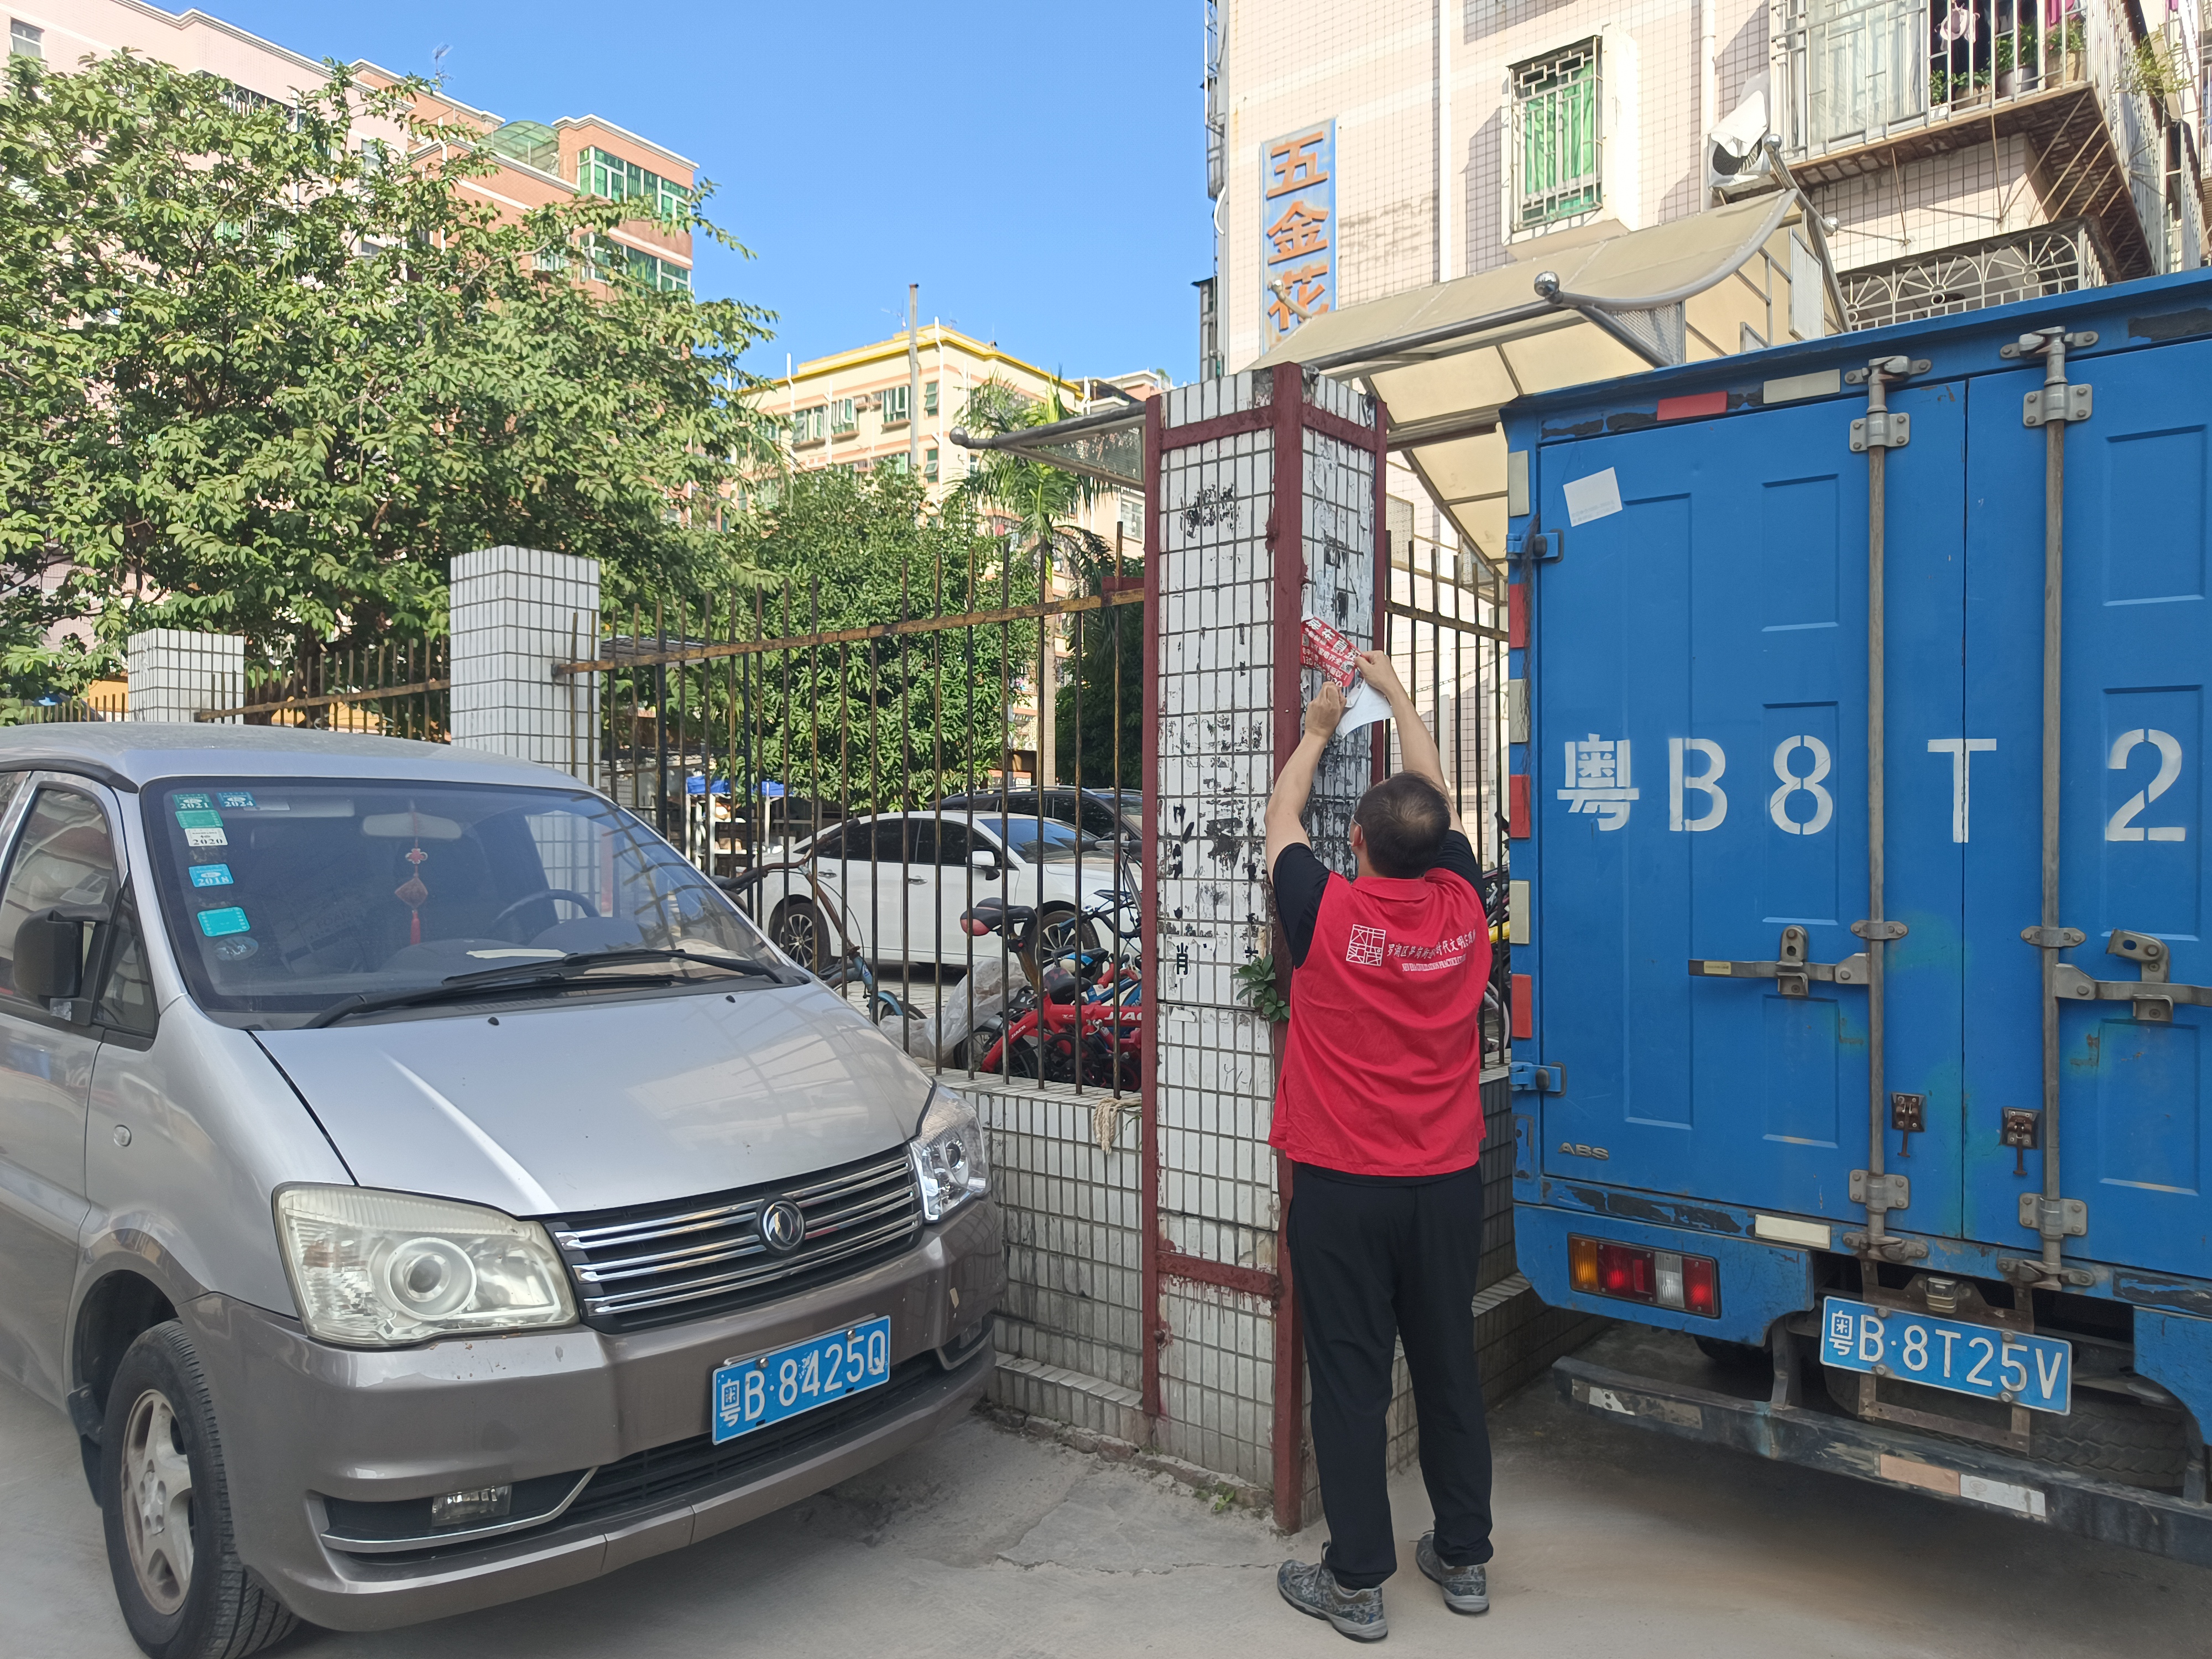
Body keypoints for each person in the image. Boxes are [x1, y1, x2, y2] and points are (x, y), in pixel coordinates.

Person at [1265, 649, 1495, 1644]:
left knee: (1351, 1381)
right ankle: (1465, 1557)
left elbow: (1279, 820)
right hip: (1445, 1184)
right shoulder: (1464, 912)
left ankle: (1357, 1581)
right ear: (1439, 850)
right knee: (1448, 1365)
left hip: (1343, 1185)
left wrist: (1319, 729)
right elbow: (1430, 800)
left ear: (1355, 843)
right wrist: (1398, 695)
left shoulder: (1328, 912)